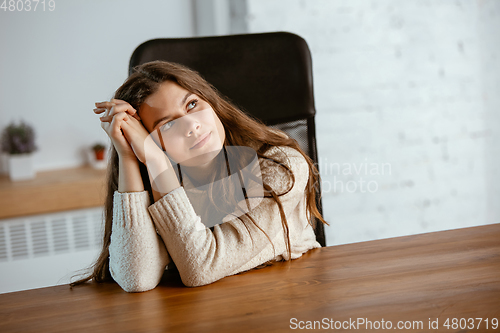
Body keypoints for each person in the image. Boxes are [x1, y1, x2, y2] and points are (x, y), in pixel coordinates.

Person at [71, 61, 327, 292]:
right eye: (167, 124)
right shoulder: (157, 179)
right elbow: (136, 277)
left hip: (287, 300)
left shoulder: (281, 165)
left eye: (192, 104)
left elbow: (200, 268)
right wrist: (129, 157)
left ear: (211, 102)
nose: (192, 126)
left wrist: (157, 161)